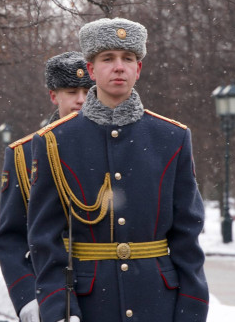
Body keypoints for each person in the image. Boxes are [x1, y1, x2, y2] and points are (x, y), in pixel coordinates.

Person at [27, 18, 209, 322]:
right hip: (89, 306)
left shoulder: (171, 138)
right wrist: (60, 309)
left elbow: (187, 237)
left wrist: (191, 311)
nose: (119, 67)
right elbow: (45, 240)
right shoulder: (55, 141)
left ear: (139, 69)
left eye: (128, 59)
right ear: (91, 69)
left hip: (158, 304)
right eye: (108, 58)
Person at [0, 51, 93, 322]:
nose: (81, 100)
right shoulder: (23, 155)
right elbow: (10, 239)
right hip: (50, 295)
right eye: (71, 92)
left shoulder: (116, 145)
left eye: (88, 91)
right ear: (53, 96)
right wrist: (28, 298)